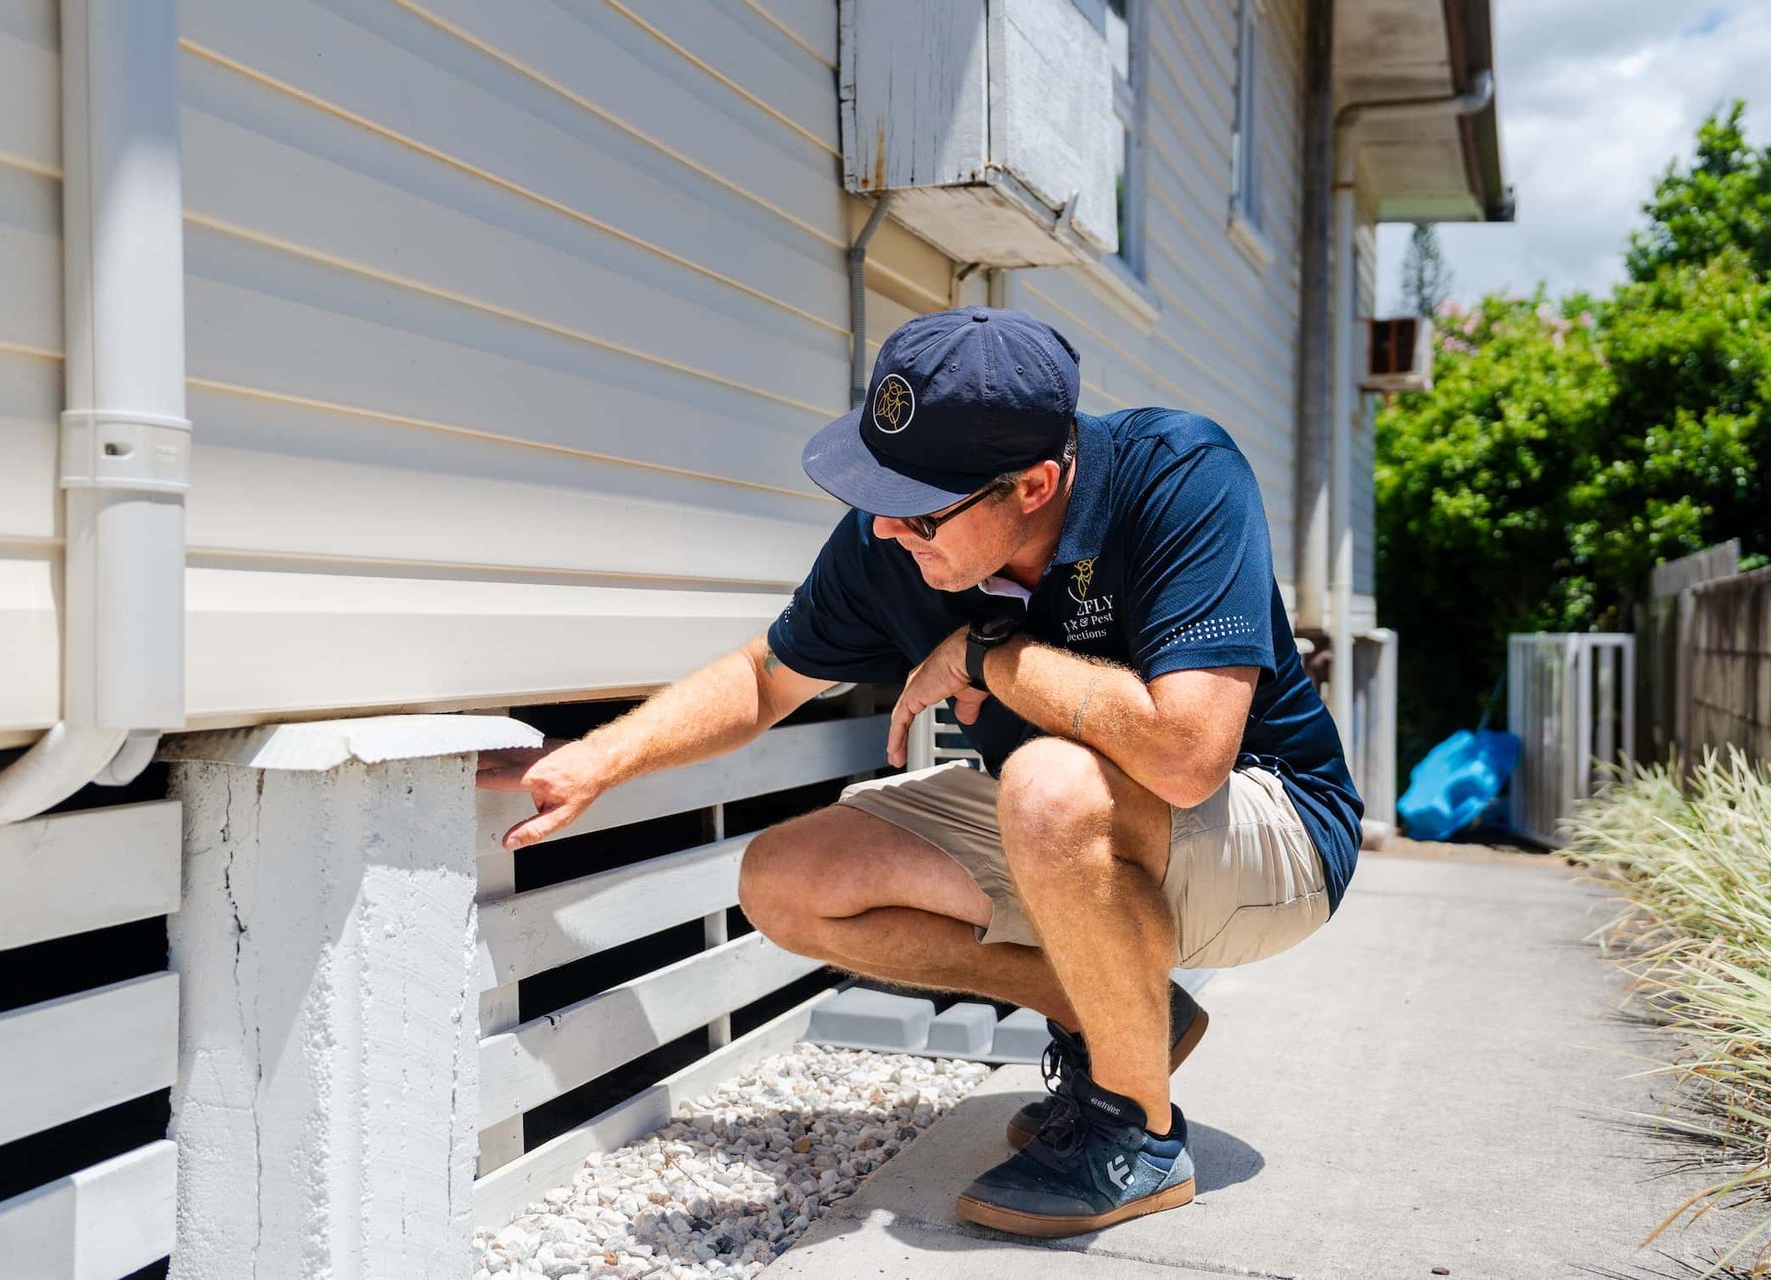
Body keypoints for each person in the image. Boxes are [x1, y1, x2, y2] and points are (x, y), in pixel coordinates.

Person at [478, 307, 1363, 1239]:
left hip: (1274, 833)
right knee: (787, 881)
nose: (889, 526)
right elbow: (760, 679)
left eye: (922, 507)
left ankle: (1134, 1134)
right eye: (876, 489)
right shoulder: (892, 537)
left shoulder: (1179, 475)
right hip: (1068, 816)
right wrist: (597, 758)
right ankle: (1114, 1011)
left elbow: (1188, 757)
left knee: (1047, 781)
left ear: (1035, 484)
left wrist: (992, 657)